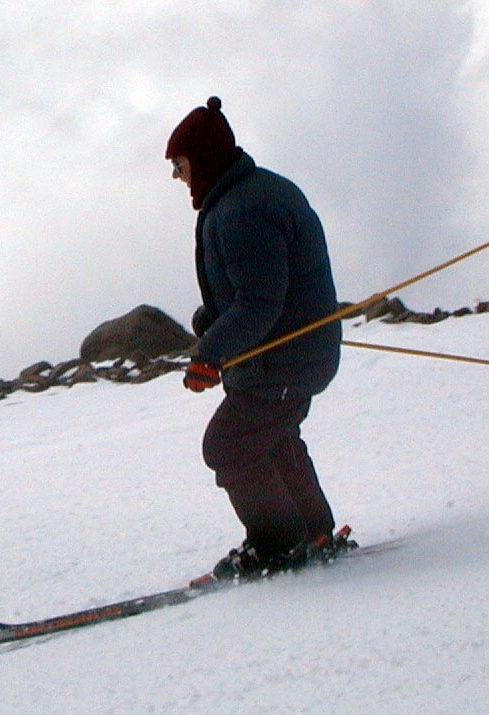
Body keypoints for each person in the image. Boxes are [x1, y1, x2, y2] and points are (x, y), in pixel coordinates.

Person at [166, 96, 345, 579]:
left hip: (282, 359)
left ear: (203, 160)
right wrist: (213, 320)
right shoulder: (250, 195)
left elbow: (260, 303)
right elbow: (255, 288)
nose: (177, 177)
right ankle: (314, 532)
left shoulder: (242, 209)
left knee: (228, 445)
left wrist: (210, 353)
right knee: (272, 437)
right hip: (298, 353)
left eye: (180, 165)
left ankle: (276, 545)